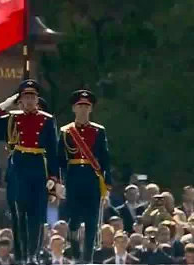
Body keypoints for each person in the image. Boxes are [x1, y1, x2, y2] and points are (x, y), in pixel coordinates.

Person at [0, 79, 60, 264]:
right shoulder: (12, 118)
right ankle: (21, 256)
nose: (29, 100)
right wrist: (6, 104)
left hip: (37, 169)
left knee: (36, 216)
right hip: (18, 169)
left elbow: (53, 151)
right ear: (20, 100)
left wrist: (53, 178)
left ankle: (33, 255)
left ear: (37, 99)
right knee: (19, 215)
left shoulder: (47, 120)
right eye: (25, 97)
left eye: (32, 97)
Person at [58, 89, 112, 263]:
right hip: (73, 179)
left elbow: (105, 158)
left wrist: (108, 184)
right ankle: (73, 246)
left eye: (86, 106)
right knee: (73, 220)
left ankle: (87, 259)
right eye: (79, 106)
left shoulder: (99, 131)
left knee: (91, 221)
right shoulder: (66, 131)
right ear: (74, 109)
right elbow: (59, 159)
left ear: (91, 109)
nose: (83, 109)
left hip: (92, 179)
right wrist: (59, 182)